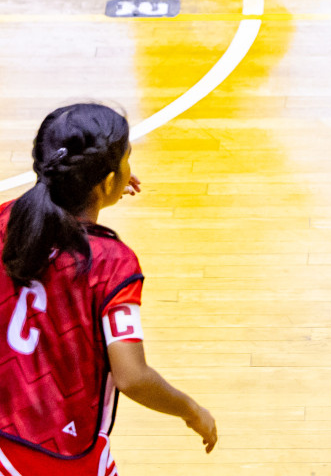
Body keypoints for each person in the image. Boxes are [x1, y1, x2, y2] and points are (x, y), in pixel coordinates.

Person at [0, 104, 217, 474]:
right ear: (104, 181)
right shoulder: (112, 263)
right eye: (128, 159)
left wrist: (101, 194)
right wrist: (192, 410)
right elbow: (133, 377)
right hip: (68, 455)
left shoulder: (7, 218)